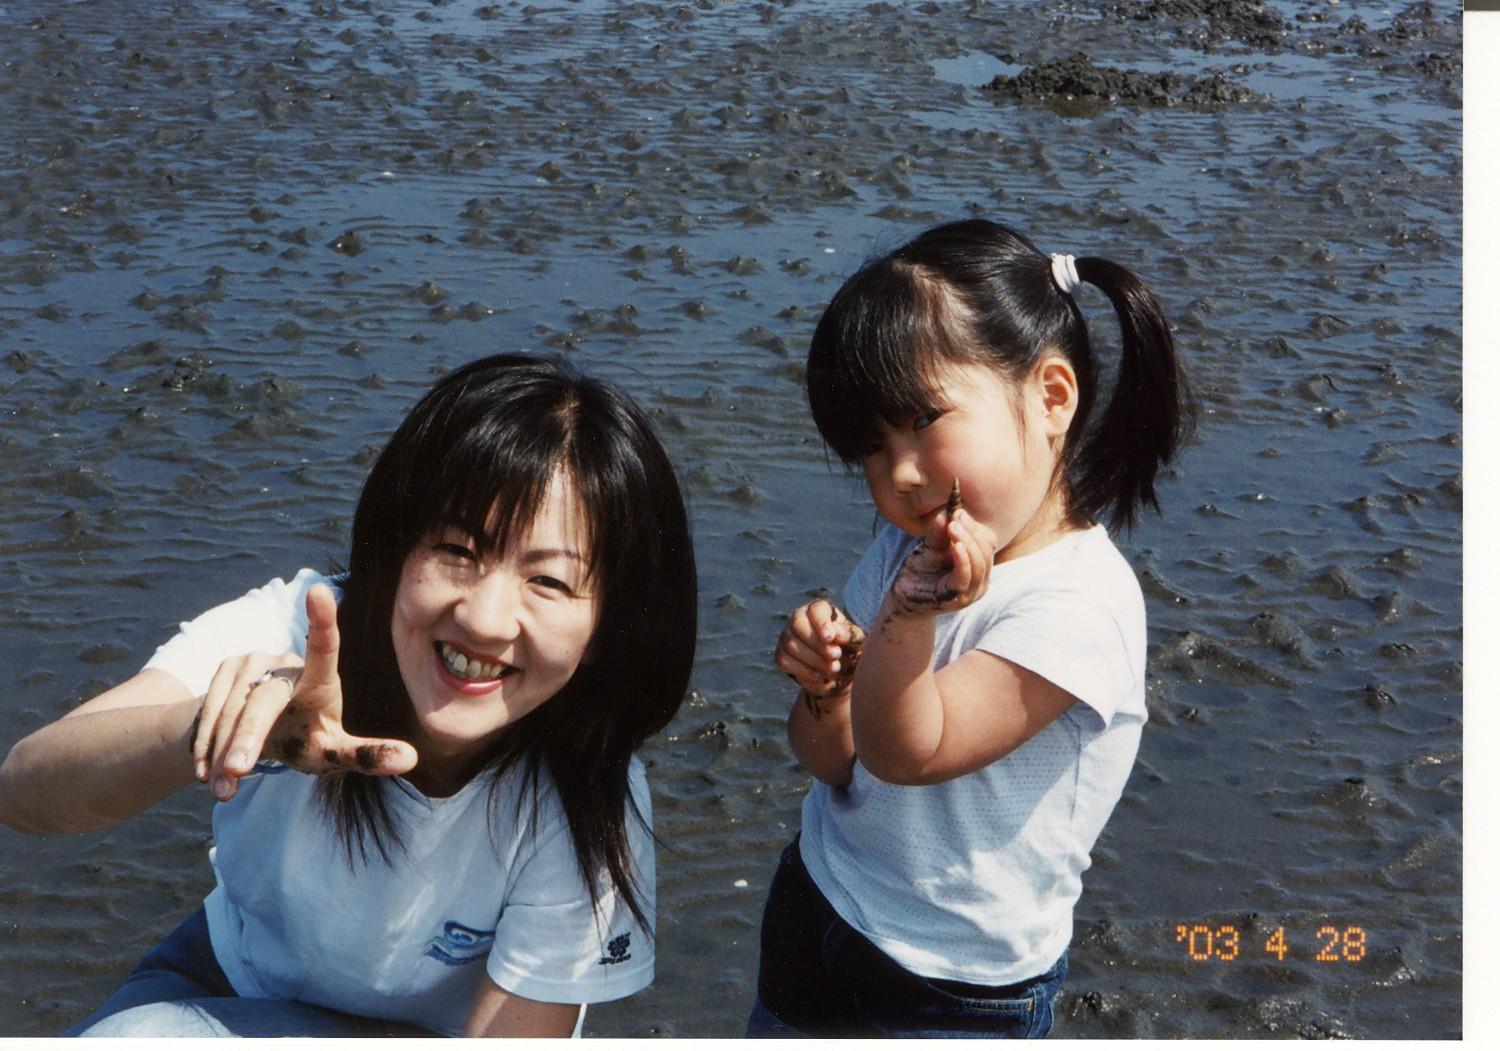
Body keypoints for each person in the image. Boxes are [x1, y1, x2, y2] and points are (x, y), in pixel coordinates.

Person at [0, 353, 697, 1038]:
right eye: (457, 549)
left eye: (548, 581)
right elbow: (24, 792)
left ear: (607, 627)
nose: (485, 620)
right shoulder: (297, 634)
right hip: (229, 978)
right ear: (395, 547)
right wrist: (214, 728)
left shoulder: (589, 798)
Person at [748, 219, 1195, 1038]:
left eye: (924, 420)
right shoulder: (905, 550)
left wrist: (908, 618)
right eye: (872, 448)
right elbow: (834, 758)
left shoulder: (1079, 605)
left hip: (952, 979)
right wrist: (824, 688)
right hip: (819, 896)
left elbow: (907, 751)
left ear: (1051, 396)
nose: (900, 472)